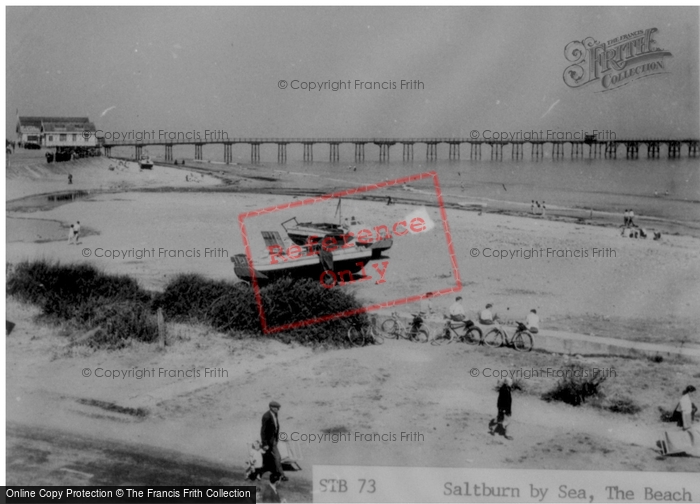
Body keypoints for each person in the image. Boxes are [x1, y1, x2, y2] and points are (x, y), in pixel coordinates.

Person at [261, 401, 287, 482]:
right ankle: (282, 475)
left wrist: (276, 438)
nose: (278, 409)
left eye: (278, 408)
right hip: (269, 441)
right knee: (277, 457)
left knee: (271, 458)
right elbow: (263, 431)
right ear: (271, 408)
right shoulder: (266, 416)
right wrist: (265, 443)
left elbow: (276, 427)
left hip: (274, 440)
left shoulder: (275, 414)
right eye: (276, 408)